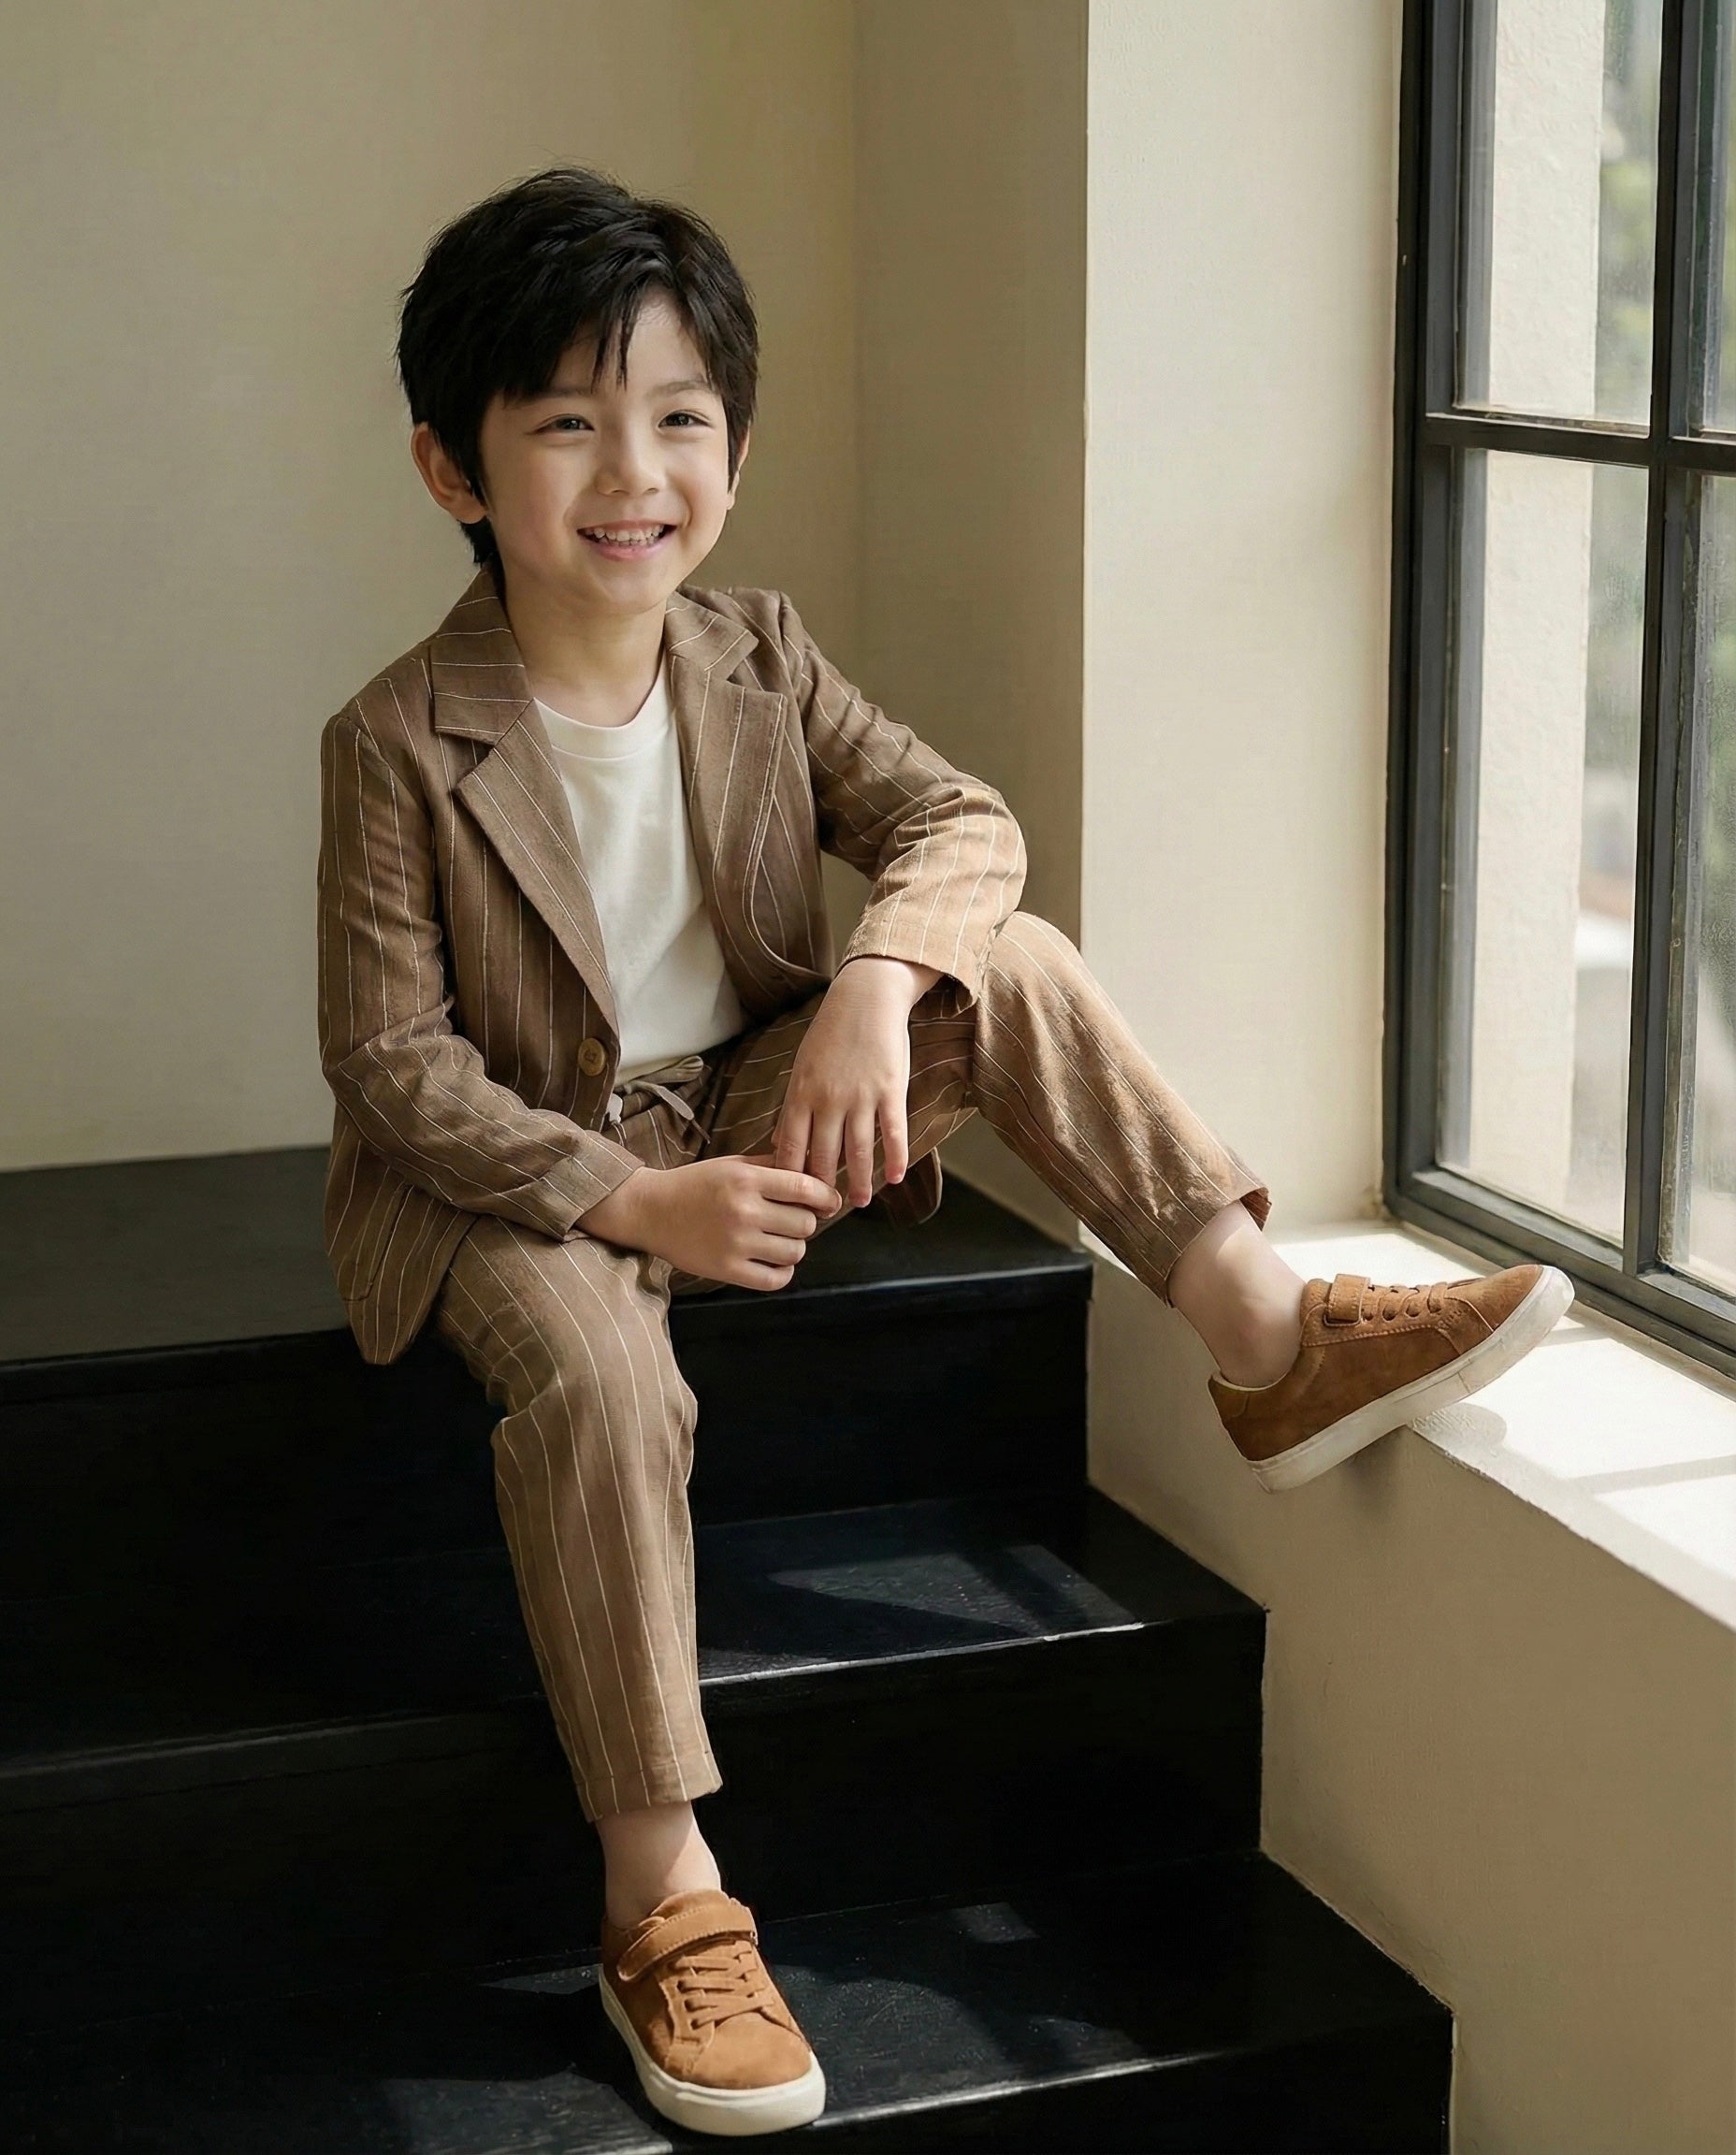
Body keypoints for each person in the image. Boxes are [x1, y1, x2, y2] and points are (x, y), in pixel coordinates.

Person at [315, 166, 1573, 2139]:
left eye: (680, 418)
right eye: (566, 423)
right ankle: (663, 1893)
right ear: (452, 468)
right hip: (515, 1171)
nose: (633, 472)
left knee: (1014, 956)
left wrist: (875, 986)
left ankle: (1269, 1337)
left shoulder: (758, 654)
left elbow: (961, 822)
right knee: (604, 1379)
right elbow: (392, 1067)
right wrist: (630, 1199)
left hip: (743, 1098)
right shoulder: (397, 737)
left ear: (734, 450)